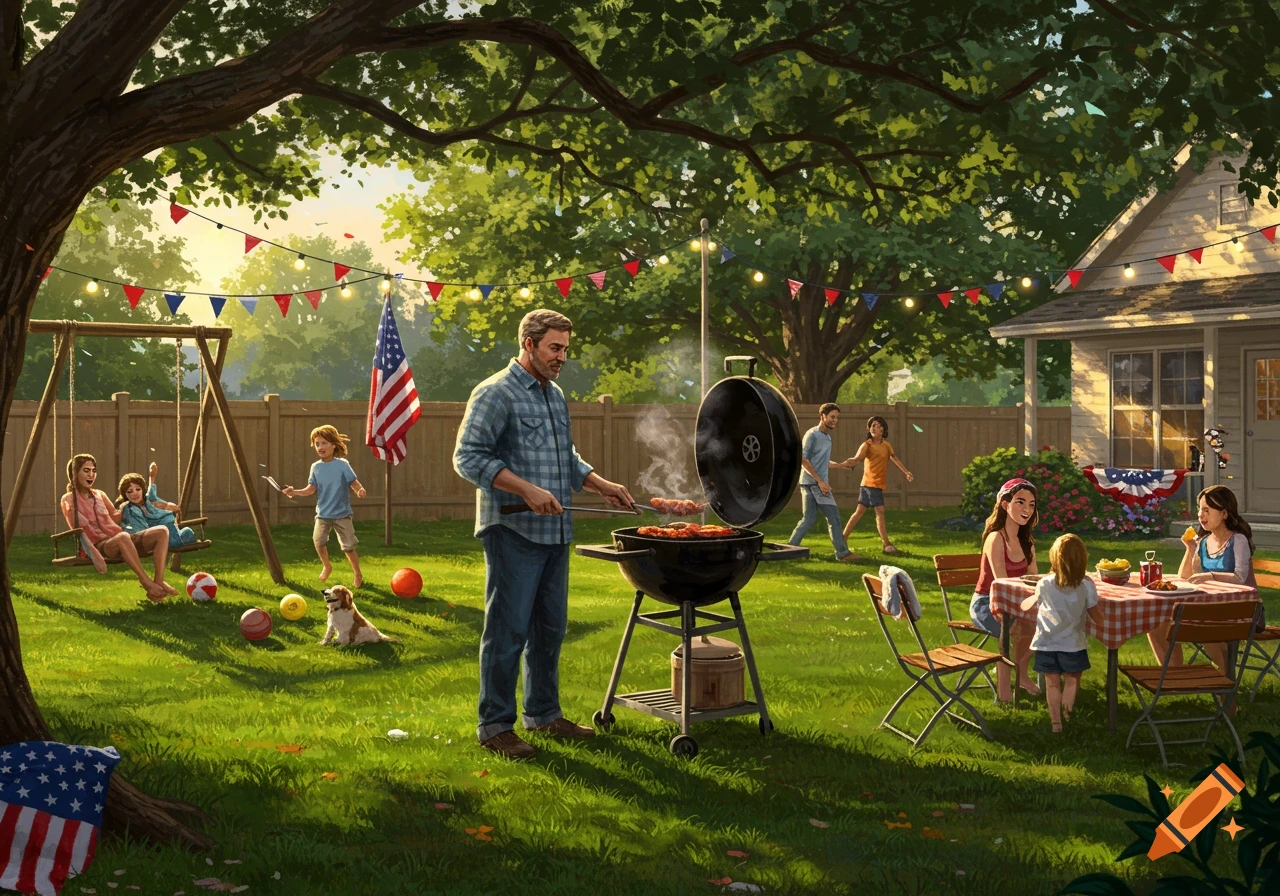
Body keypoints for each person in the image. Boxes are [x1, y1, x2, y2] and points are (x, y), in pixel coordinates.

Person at [453, 309, 635, 761]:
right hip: (512, 529)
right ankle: (495, 726)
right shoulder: (494, 392)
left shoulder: (554, 395)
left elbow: (564, 457)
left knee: (550, 629)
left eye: (566, 349)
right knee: (507, 631)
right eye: (555, 348)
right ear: (529, 344)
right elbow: (468, 457)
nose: (562, 357)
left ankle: (544, 715)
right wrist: (526, 489)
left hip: (555, 532)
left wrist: (601, 484)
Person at [1149, 484, 1259, 671]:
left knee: (1204, 626)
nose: (1201, 515)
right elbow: (1186, 576)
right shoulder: (1203, 542)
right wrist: (1190, 548)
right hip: (1209, 607)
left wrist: (1210, 576)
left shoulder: (1237, 540)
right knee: (1157, 624)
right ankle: (1173, 676)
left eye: (1207, 510)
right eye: (1200, 509)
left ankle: (1225, 682)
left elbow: (1240, 577)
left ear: (1224, 513)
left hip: (1243, 609)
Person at [59, 453, 174, 601]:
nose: (91, 475)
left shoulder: (99, 494)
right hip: (99, 545)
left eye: (93, 470)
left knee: (162, 531)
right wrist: (95, 556)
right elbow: (78, 530)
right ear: (75, 473)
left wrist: (133, 502)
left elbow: (115, 515)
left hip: (121, 539)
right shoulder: (69, 499)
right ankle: (147, 582)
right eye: (86, 471)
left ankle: (159, 581)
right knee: (123, 537)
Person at [1023, 534, 1103, 733]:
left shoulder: (1044, 583)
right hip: (1073, 644)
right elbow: (1097, 616)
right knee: (1071, 681)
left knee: (1052, 684)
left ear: (1054, 558)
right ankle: (1067, 716)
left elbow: (1036, 604)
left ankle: (1056, 724)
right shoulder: (1086, 585)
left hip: (1046, 643)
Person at [970, 478, 1041, 702]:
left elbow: (1032, 579)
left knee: (1047, 623)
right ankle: (1004, 695)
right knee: (1011, 631)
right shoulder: (996, 538)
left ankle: (1021, 673)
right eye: (1020, 502)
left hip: (1017, 601)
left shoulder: (1027, 541)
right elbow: (1001, 584)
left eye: (1031, 504)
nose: (1027, 509)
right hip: (987, 602)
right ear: (1004, 504)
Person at [282, 426, 367, 588]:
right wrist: (294, 492)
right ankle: (327, 566)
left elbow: (354, 482)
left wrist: (360, 490)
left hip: (342, 514)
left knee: (348, 547)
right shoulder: (316, 467)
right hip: (323, 514)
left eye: (324, 443)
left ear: (334, 445)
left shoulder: (342, 465)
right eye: (317, 444)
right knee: (318, 541)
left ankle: (357, 573)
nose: (320, 447)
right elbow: (310, 489)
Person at [787, 403, 860, 562]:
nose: (835, 420)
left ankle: (790, 549)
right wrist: (820, 481)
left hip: (813, 484)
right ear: (823, 416)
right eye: (832, 417)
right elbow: (803, 460)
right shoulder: (812, 435)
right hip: (814, 484)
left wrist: (841, 465)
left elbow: (822, 462)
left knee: (808, 520)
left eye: (837, 418)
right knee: (834, 518)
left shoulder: (827, 437)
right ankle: (842, 554)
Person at [841, 415, 914, 554]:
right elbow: (857, 458)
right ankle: (886, 544)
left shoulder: (886, 445)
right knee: (880, 511)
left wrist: (906, 472)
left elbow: (894, 458)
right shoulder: (866, 445)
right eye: (872, 425)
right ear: (869, 429)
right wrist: (846, 464)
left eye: (878, 426)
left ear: (883, 430)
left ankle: (843, 538)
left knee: (859, 512)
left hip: (876, 484)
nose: (875, 428)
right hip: (870, 483)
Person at [117, 462, 197, 548]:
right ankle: (177, 541)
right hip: (157, 534)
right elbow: (133, 528)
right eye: (130, 491)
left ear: (142, 490)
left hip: (169, 526)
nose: (135, 493)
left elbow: (151, 490)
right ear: (125, 494)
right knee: (177, 540)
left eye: (138, 489)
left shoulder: (148, 500)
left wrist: (152, 476)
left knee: (187, 532)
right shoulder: (129, 509)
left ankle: (180, 539)